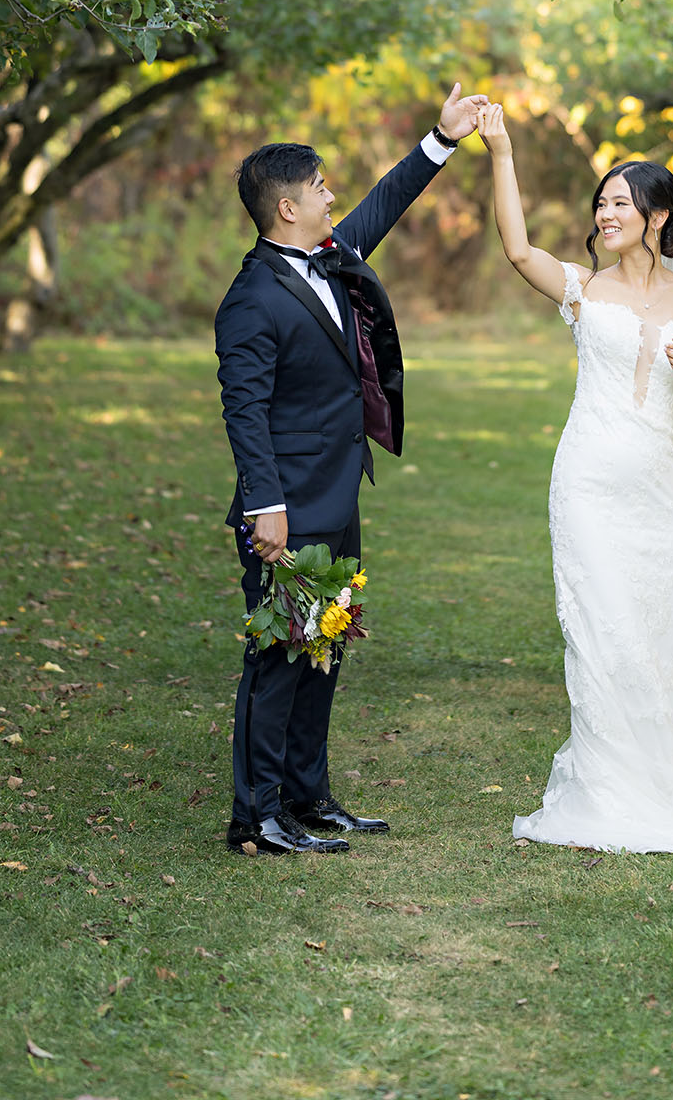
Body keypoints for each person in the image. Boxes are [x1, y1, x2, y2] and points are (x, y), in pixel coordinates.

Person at [477, 101, 673, 853]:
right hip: (585, 481)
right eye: (601, 202)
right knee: (596, 628)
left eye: (620, 201)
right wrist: (500, 153)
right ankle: (599, 789)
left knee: (648, 635)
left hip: (652, 490)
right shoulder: (584, 286)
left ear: (657, 215)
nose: (605, 211)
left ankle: (652, 786)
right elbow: (519, 250)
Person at [217, 83, 488, 856]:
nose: (334, 195)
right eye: (320, 188)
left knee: (324, 645)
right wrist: (265, 506)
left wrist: (441, 139)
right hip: (287, 508)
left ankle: (307, 796)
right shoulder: (251, 300)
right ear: (287, 209)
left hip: (338, 495)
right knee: (278, 656)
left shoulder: (328, 258)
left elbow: (380, 207)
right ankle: (257, 816)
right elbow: (245, 411)